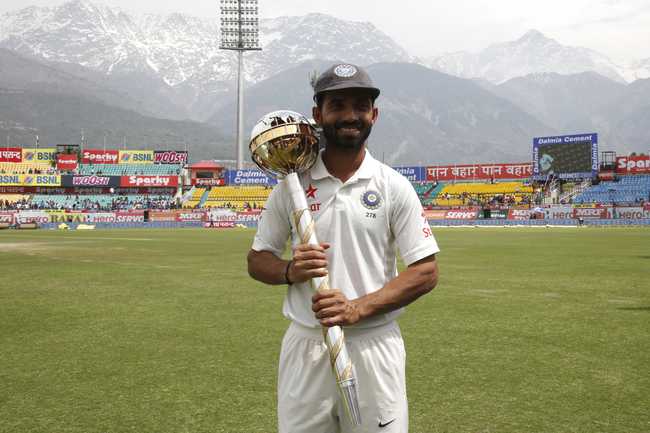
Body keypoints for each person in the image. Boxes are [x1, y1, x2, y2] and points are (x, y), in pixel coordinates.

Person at [247, 63, 440, 433]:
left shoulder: (392, 185)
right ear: (318, 114)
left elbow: (426, 271)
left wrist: (357, 308)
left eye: (360, 105)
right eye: (338, 105)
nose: (350, 115)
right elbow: (257, 260)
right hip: (307, 345)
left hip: (373, 344)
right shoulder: (290, 184)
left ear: (374, 115)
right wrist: (289, 270)